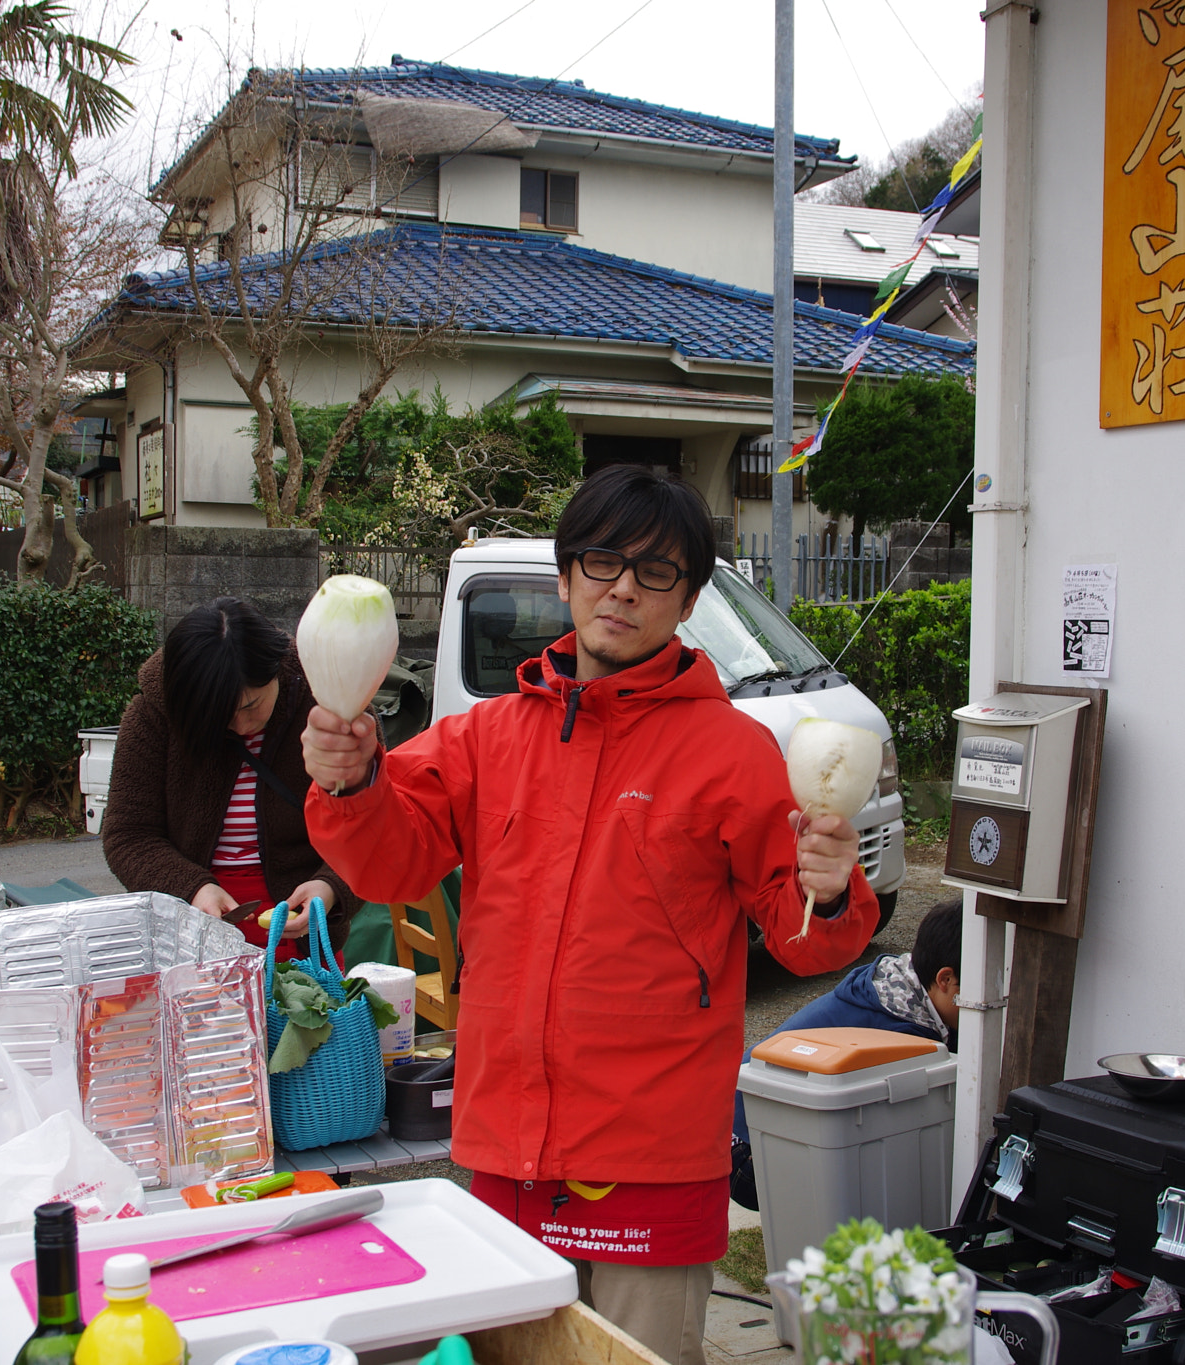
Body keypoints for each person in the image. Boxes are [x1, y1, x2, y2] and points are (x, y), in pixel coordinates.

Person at [300, 466, 877, 1365]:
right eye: (603, 561)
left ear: (687, 602)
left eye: (656, 573)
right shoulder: (487, 736)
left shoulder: (734, 752)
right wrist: (348, 776)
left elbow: (804, 937)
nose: (623, 589)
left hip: (653, 1156)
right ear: (566, 577)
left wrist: (832, 886)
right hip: (505, 1147)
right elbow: (390, 858)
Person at [104, 596, 357, 952]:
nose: (240, 726)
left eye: (251, 706)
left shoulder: (328, 699)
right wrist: (191, 888)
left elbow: (369, 824)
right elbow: (128, 835)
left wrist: (331, 887)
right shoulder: (154, 713)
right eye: (219, 715)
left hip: (306, 939)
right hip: (187, 936)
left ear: (277, 672)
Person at [730, 898, 963, 1209]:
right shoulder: (906, 1037)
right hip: (749, 1152)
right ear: (945, 979)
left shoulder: (895, 985)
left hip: (740, 1126)